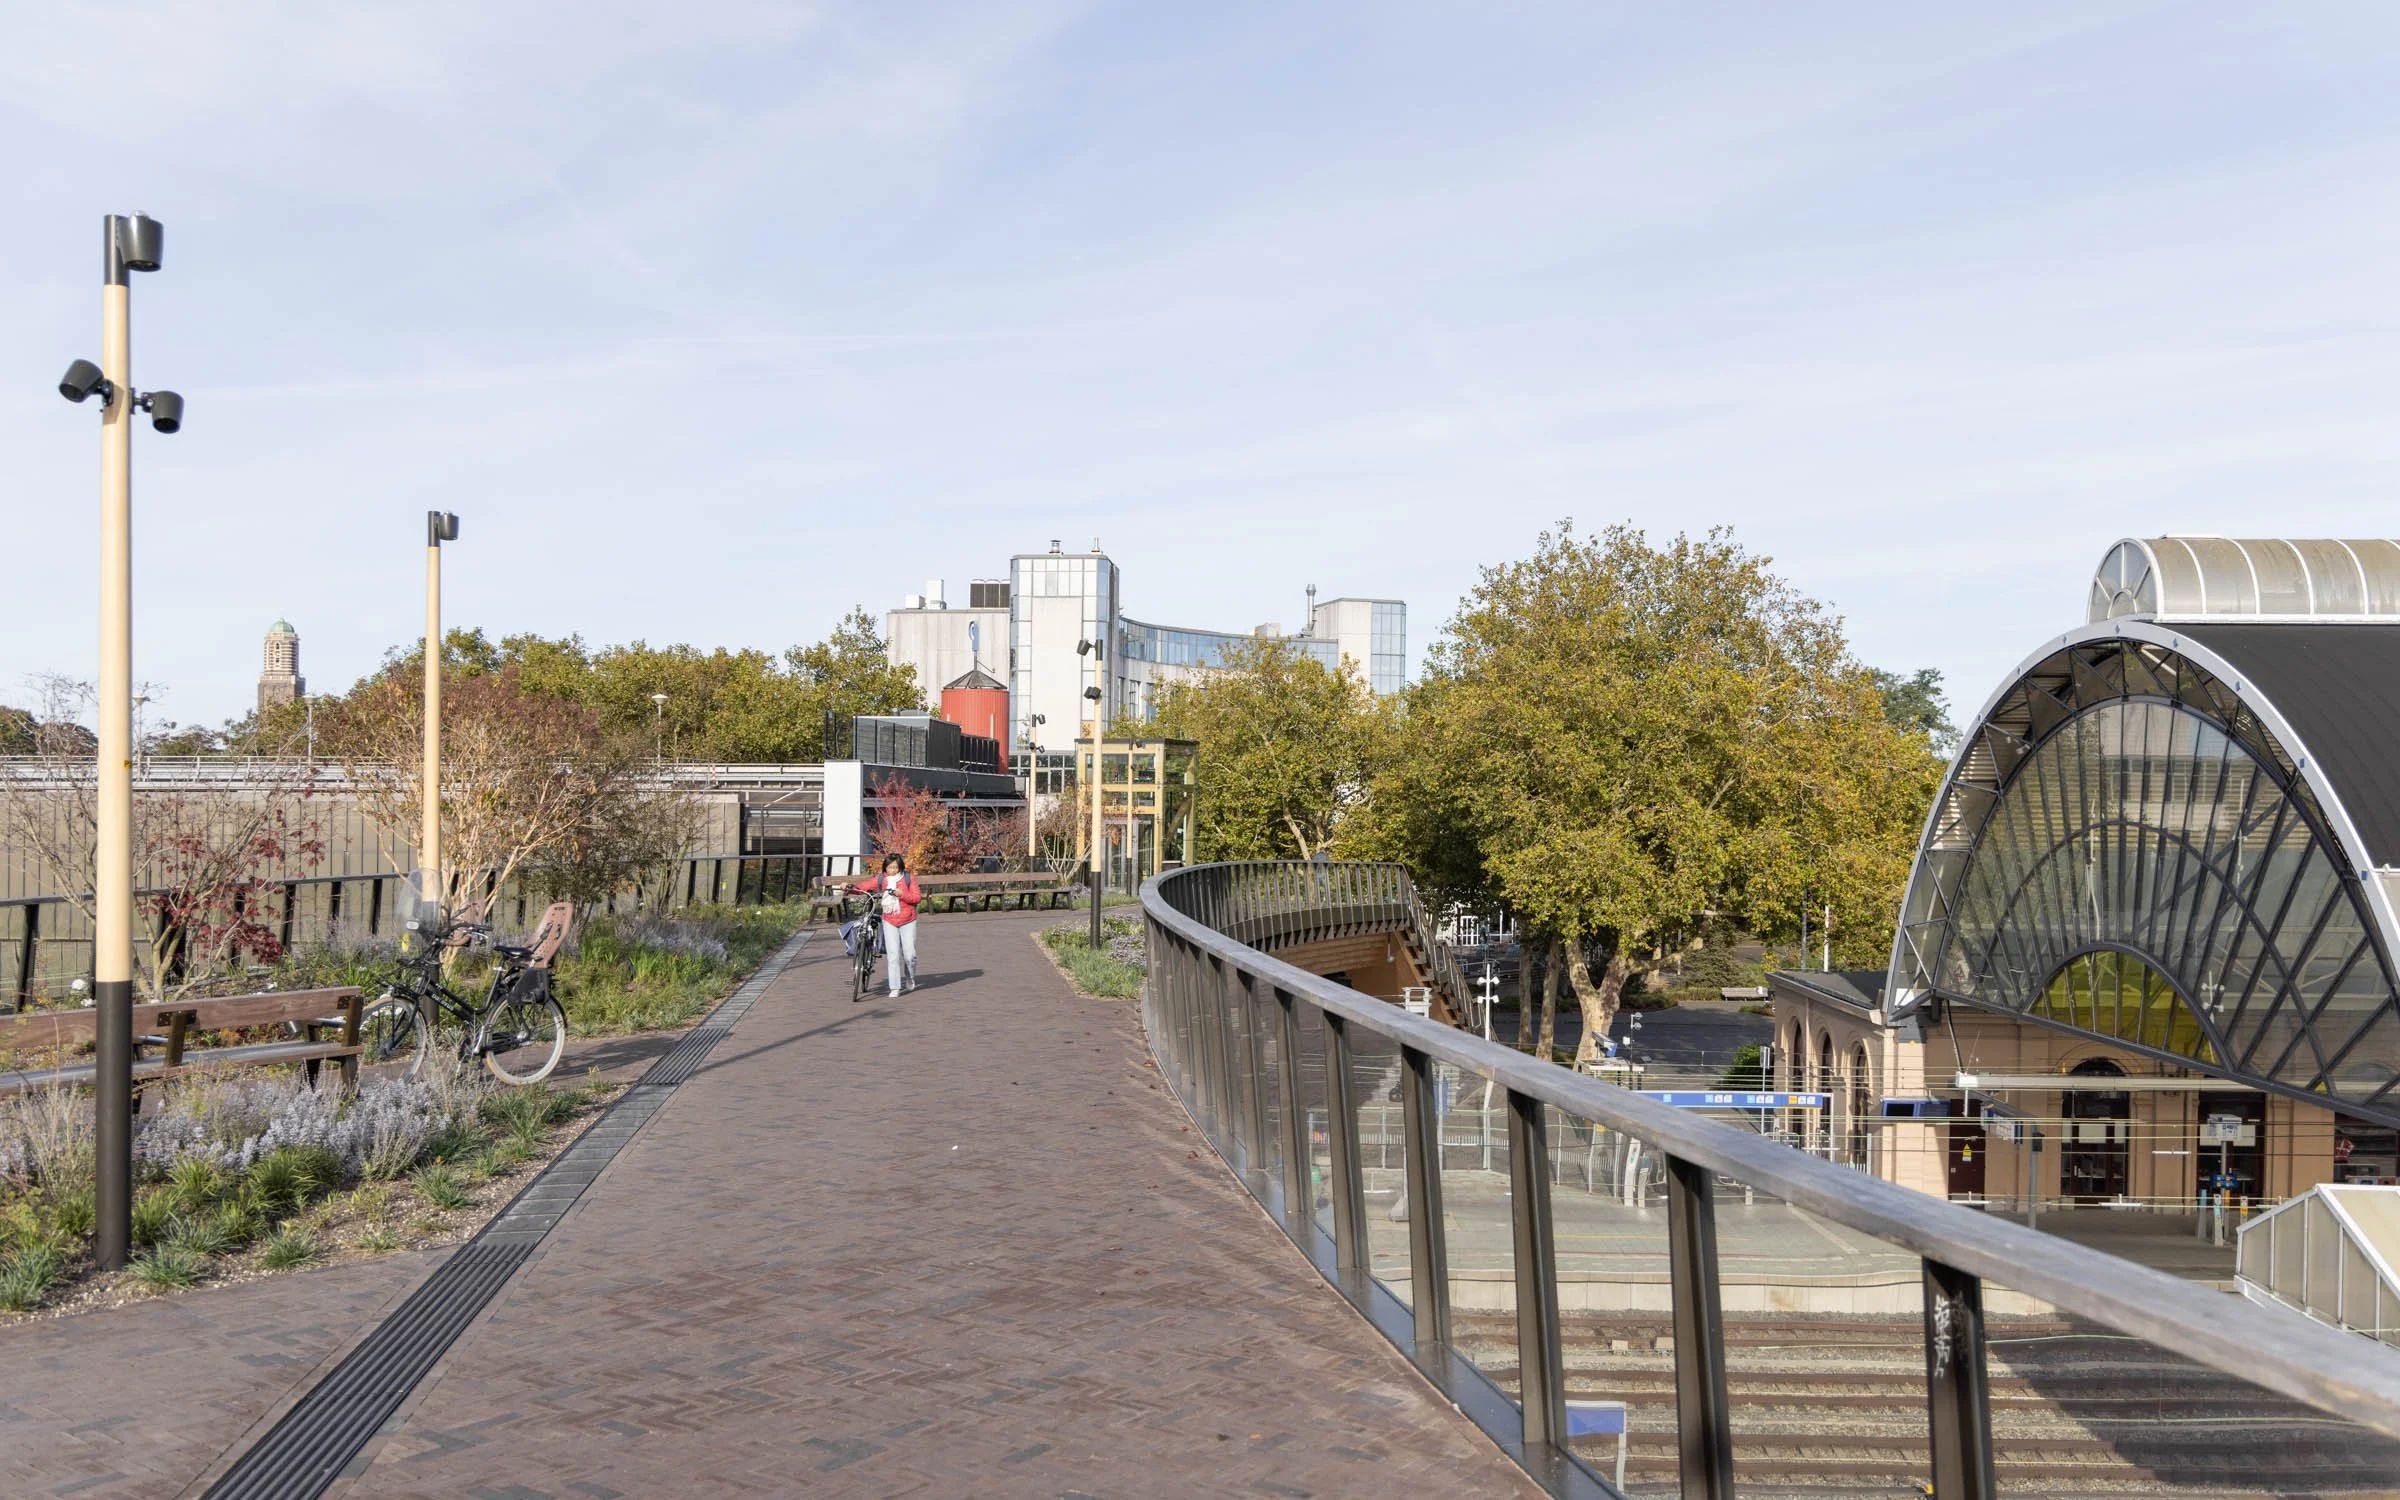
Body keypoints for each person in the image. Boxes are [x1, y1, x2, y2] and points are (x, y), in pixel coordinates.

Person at [847, 853, 923, 997]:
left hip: (908, 919)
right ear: (885, 867)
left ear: (900, 867)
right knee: (893, 955)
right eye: (890, 867)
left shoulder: (908, 878)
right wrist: (849, 888)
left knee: (910, 955)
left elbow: (917, 897)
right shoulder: (882, 879)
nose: (893, 870)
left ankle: (910, 976)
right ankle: (895, 987)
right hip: (889, 920)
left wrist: (901, 894)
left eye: (895, 867)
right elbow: (865, 886)